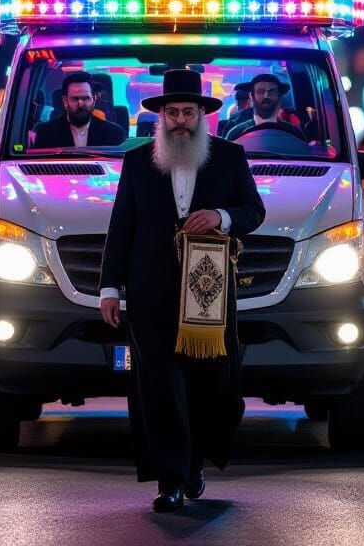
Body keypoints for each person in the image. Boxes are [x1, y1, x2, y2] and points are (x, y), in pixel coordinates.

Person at [98, 68, 265, 512]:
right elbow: (121, 227)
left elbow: (254, 212)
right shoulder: (138, 162)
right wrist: (109, 288)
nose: (179, 121)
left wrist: (221, 216)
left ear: (202, 115)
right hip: (150, 292)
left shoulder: (229, 157)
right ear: (160, 117)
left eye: (187, 112)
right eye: (171, 113)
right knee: (159, 387)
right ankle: (169, 479)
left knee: (211, 387)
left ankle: (195, 464)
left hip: (207, 297)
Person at [33, 72, 126, 149]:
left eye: (86, 98)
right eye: (75, 99)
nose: (81, 103)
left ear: (94, 100)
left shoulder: (114, 134)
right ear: (65, 101)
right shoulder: (45, 134)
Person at [224, 74, 295, 140]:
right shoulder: (236, 133)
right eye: (260, 91)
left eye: (272, 91)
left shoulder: (293, 132)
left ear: (279, 97)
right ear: (252, 97)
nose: (266, 96)